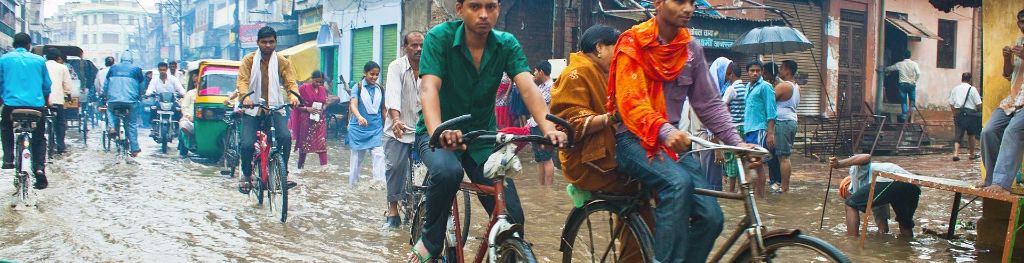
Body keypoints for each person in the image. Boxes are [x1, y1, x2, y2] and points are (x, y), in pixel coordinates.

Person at [409, 0, 569, 260]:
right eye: (475, 6)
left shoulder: (506, 43)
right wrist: (438, 130)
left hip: (481, 139)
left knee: (512, 217)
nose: (484, 14)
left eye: (491, 7)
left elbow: (527, 86)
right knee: (448, 171)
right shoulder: (440, 38)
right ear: (459, 9)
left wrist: (548, 127)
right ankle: (430, 240)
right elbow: (429, 88)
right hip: (437, 133)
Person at [605, 0, 754, 261]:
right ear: (658, 3)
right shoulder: (633, 43)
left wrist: (736, 142)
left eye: (692, 3)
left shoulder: (692, 50)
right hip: (633, 140)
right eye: (679, 1)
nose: (688, 8)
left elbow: (708, 103)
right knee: (677, 184)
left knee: (712, 218)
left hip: (674, 142)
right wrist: (664, 131)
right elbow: (631, 101)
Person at [552, 24, 654, 261]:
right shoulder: (576, 73)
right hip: (588, 161)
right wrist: (612, 117)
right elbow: (568, 122)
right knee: (649, 189)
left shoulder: (607, 74)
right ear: (599, 47)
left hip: (609, 153)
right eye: (615, 49)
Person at [235, 26, 301, 193]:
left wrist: (293, 96)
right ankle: (247, 175)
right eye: (264, 42)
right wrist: (246, 97)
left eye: (271, 42)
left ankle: (282, 172)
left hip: (274, 107)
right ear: (258, 42)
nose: (267, 45)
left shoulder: (282, 61)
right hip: (253, 109)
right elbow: (242, 81)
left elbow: (290, 82)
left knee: (285, 137)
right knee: (247, 144)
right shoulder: (249, 60)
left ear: (276, 43)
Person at [382, 31, 424, 228]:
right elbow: (392, 95)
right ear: (405, 47)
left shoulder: (430, 66)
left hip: (422, 129)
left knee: (432, 169)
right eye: (414, 45)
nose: (418, 49)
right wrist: (396, 120)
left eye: (421, 45)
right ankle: (392, 210)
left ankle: (426, 207)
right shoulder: (396, 67)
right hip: (398, 128)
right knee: (395, 167)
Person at [0, 33, 52, 189]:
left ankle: (8, 158)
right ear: (29, 46)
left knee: (5, 126)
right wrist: (45, 103)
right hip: (36, 107)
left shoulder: (4, 59)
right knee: (39, 137)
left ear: (14, 44)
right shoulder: (39, 61)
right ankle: (39, 169)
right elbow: (46, 87)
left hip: (11, 106)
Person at [981, 9, 1024, 195]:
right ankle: (991, 179)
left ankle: (1001, 184)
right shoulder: (1019, 41)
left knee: (1012, 131)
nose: (1023, 26)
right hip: (1014, 99)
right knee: (988, 131)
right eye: (1021, 22)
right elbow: (1008, 74)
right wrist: (1007, 58)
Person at [831, 154, 921, 238]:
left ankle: (852, 242)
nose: (847, 196)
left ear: (847, 187)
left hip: (891, 177)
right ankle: (906, 247)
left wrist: (839, 164)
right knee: (905, 224)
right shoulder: (876, 194)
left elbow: (866, 156)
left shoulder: (855, 174)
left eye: (845, 194)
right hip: (913, 186)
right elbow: (883, 228)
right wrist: (878, 237)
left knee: (850, 204)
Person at [347, 61, 385, 186]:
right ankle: (353, 186)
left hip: (376, 129)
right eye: (371, 74)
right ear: (365, 73)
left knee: (379, 154)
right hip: (359, 129)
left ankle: (379, 185)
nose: (374, 77)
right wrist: (359, 117)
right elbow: (353, 104)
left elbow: (383, 109)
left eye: (377, 75)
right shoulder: (357, 87)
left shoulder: (380, 89)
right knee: (357, 159)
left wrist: (388, 125)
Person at [743, 60, 776, 199]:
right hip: (749, 129)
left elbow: (772, 112)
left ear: (762, 72)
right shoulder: (748, 87)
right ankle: (755, 196)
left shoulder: (766, 87)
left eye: (758, 70)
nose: (755, 73)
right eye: (752, 70)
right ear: (747, 73)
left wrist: (770, 133)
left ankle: (760, 197)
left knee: (758, 164)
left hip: (760, 130)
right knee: (753, 163)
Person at [103, 52, 146, 157]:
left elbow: (105, 85)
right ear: (131, 60)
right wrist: (139, 97)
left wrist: (105, 96)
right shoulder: (137, 69)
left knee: (109, 109)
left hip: (114, 101)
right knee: (131, 124)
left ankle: (112, 128)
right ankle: (135, 148)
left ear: (121, 59)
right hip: (131, 102)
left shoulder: (113, 68)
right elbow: (141, 87)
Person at [769, 60, 799, 193]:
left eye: (781, 68)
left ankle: (784, 187)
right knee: (784, 156)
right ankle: (783, 185)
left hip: (783, 122)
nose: (779, 70)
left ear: (787, 70)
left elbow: (769, 99)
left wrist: (772, 86)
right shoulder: (796, 86)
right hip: (790, 121)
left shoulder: (784, 86)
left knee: (783, 157)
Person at [290, 71, 330, 169]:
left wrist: (324, 107)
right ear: (311, 78)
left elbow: (325, 102)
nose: (318, 84)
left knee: (322, 144)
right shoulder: (303, 88)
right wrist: (308, 109)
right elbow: (296, 104)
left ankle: (324, 169)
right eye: (316, 81)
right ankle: (300, 167)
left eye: (320, 82)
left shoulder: (322, 89)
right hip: (306, 120)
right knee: (304, 145)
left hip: (319, 121)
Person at [720, 62, 746, 192]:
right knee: (741, 159)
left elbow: (722, 107)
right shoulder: (746, 88)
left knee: (730, 159)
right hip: (745, 127)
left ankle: (730, 192)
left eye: (729, 74)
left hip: (734, 128)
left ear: (732, 75)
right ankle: (742, 190)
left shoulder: (731, 89)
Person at [529, 60, 555, 186]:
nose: (534, 73)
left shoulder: (552, 87)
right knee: (539, 159)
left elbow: (538, 104)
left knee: (547, 158)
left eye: (536, 71)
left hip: (544, 126)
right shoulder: (540, 86)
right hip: (534, 124)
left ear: (541, 72)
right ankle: (541, 187)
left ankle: (549, 189)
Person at [44, 48, 73, 155]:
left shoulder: (42, 65)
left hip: (44, 100)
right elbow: (67, 84)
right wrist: (68, 96)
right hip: (57, 101)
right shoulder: (62, 67)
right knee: (60, 123)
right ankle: (61, 146)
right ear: (58, 58)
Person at [948, 72, 982, 162]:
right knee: (971, 134)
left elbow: (951, 103)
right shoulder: (973, 89)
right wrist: (979, 112)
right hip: (970, 114)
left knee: (958, 134)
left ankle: (956, 154)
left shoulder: (955, 89)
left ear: (961, 79)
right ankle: (971, 154)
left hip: (959, 113)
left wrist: (954, 113)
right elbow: (979, 104)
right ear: (970, 79)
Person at [885, 50, 921, 123]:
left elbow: (890, 68)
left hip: (903, 86)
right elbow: (918, 73)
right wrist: (915, 81)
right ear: (910, 56)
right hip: (911, 85)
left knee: (904, 101)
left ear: (903, 56)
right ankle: (912, 115)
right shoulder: (914, 64)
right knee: (912, 100)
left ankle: (904, 116)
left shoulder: (900, 64)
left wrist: (884, 69)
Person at [178, 78, 198, 157]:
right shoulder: (190, 93)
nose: (196, 84)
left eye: (198, 82)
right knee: (183, 125)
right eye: (195, 82)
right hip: (190, 120)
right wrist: (189, 116)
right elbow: (184, 107)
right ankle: (191, 141)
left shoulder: (210, 93)